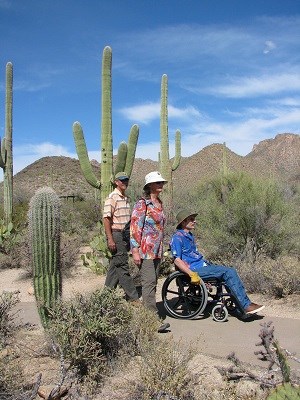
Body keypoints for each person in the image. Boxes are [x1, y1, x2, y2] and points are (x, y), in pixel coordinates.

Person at [170, 210, 265, 316]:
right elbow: (177, 260)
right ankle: (246, 305)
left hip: (201, 266)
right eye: (191, 219)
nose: (195, 221)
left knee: (228, 272)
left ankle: (241, 304)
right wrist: (192, 274)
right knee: (228, 272)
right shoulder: (177, 238)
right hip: (193, 270)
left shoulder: (189, 236)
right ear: (183, 222)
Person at [130, 171, 171, 332]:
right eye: (157, 182)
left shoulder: (159, 203)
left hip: (157, 250)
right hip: (145, 250)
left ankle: (147, 318)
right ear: (150, 186)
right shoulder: (142, 204)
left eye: (161, 182)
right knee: (148, 283)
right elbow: (135, 227)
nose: (161, 184)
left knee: (153, 282)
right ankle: (152, 321)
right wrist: (135, 250)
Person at [103, 171, 140, 305]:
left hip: (124, 234)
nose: (124, 182)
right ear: (116, 182)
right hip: (116, 234)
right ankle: (134, 298)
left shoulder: (125, 198)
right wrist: (110, 239)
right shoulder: (112, 197)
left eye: (126, 180)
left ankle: (105, 297)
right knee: (123, 266)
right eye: (122, 180)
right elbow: (106, 219)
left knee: (115, 265)